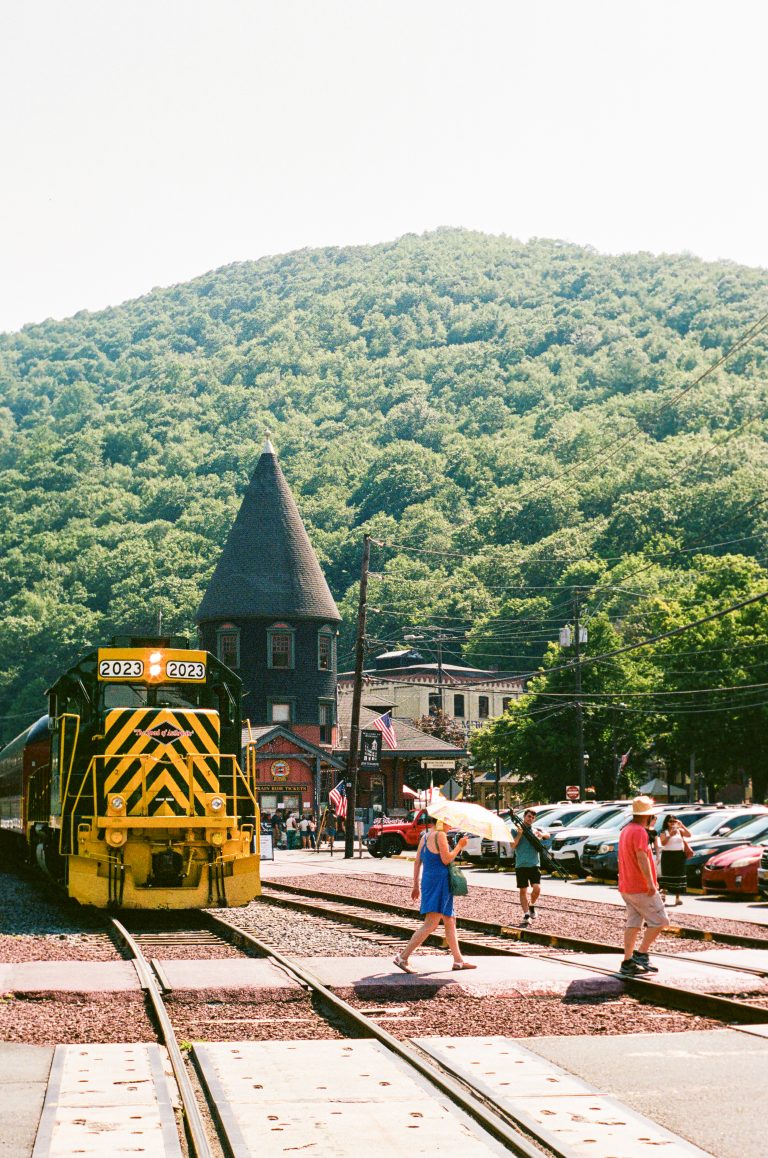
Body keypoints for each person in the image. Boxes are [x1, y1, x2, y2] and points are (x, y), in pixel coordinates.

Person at [393, 814, 476, 973]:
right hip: (440, 883)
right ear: (441, 821)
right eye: (449, 821)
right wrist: (460, 846)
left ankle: (458, 960)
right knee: (431, 923)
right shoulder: (441, 835)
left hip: (428, 881)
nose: (451, 824)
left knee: (450, 919)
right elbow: (446, 860)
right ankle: (402, 957)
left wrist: (415, 885)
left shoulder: (424, 836)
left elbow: (417, 861)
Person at [617, 795, 670, 975]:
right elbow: (641, 857)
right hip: (640, 886)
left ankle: (627, 962)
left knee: (633, 923)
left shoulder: (626, 830)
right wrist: (650, 883)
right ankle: (641, 954)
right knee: (661, 920)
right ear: (647, 815)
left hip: (627, 885)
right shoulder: (640, 832)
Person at [511, 808, 546, 925]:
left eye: (532, 817)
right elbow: (513, 845)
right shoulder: (515, 830)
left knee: (537, 888)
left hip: (534, 864)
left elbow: (547, 835)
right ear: (524, 817)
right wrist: (520, 834)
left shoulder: (535, 830)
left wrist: (542, 835)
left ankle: (531, 905)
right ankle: (526, 914)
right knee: (523, 890)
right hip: (521, 865)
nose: (530, 819)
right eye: (528, 816)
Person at [659, 814, 691, 906]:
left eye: (674, 821)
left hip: (679, 855)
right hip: (668, 855)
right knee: (667, 875)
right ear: (667, 822)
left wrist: (682, 825)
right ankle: (664, 895)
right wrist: (670, 835)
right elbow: (663, 843)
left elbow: (689, 834)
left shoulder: (679, 831)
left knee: (679, 876)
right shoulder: (664, 832)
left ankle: (677, 898)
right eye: (670, 821)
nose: (672, 823)